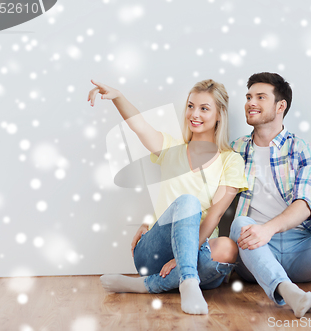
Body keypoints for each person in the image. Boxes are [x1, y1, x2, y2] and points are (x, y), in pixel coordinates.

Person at [87, 79, 248, 315]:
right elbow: (139, 126)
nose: (194, 114)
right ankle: (189, 279)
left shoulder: (230, 160)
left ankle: (147, 285)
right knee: (188, 201)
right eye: (191, 106)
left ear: (219, 115)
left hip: (199, 250)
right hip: (155, 250)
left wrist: (187, 255)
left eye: (204, 108)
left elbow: (216, 214)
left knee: (228, 248)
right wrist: (118, 96)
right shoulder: (171, 148)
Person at [229, 72, 311, 318]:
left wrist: (268, 228)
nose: (250, 103)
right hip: (255, 249)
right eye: (248, 97)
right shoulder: (235, 149)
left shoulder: (305, 150)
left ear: (281, 106)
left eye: (260, 97)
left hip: (300, 247)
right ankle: (286, 291)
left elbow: (304, 205)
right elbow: (207, 195)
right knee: (240, 223)